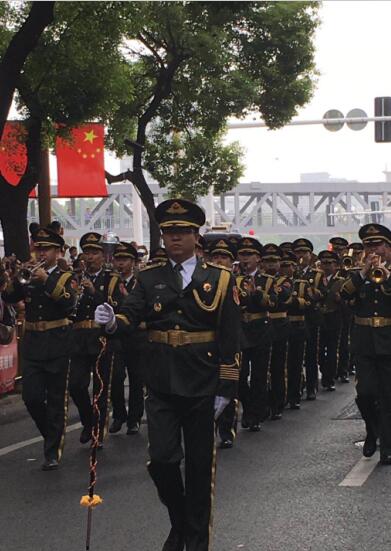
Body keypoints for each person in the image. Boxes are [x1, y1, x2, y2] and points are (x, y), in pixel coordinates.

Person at [95, 198, 240, 551]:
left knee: (199, 468)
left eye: (182, 232)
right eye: (169, 233)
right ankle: (179, 519)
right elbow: (131, 315)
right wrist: (113, 321)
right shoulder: (149, 278)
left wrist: (226, 388)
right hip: (161, 380)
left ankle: (195, 540)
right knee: (161, 460)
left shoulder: (219, 279)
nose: (174, 239)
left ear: (195, 236)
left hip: (203, 381)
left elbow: (232, 337)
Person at [3, 227, 76, 470]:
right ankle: (50, 434)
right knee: (31, 397)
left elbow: (69, 304)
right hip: (34, 344)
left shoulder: (66, 277)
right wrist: (11, 275)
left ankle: (52, 450)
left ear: (58, 251)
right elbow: (10, 297)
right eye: (39, 248)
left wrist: (47, 280)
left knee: (56, 399)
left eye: (46, 249)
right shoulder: (29, 274)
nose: (41, 253)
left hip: (57, 343)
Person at [340, 223, 391, 465]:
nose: (374, 250)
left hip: (388, 341)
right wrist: (363, 273)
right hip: (364, 343)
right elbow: (343, 294)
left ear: (388, 248)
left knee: (389, 395)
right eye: (368, 246)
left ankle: (388, 448)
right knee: (366, 393)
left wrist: (386, 278)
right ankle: (372, 429)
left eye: (378, 245)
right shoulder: (358, 274)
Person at [69, 232, 122, 447]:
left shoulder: (111, 279)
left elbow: (116, 307)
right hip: (80, 338)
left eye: (94, 253)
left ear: (102, 255)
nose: (89, 257)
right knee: (75, 385)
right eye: (87, 253)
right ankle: (88, 420)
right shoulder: (74, 278)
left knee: (100, 387)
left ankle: (98, 431)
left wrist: (93, 293)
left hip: (101, 337)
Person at [109, 241, 145, 435]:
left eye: (125, 259)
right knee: (115, 377)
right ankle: (119, 414)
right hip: (117, 337)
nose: (120, 263)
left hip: (137, 336)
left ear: (133, 262)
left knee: (136, 379)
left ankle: (135, 418)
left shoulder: (140, 282)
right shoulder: (111, 281)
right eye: (118, 259)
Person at [317, 250, 345, 392]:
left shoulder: (340, 281)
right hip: (320, 318)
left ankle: (329, 378)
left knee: (333, 349)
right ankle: (323, 369)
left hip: (334, 317)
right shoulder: (316, 280)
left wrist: (340, 300)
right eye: (323, 263)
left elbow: (346, 301)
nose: (326, 266)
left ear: (335, 265)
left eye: (329, 263)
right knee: (320, 350)